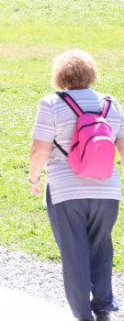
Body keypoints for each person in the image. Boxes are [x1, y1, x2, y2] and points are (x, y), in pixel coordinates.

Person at [28, 50, 123, 321]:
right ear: (91, 73)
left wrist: (34, 179)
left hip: (65, 191)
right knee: (102, 247)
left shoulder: (52, 104)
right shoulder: (111, 104)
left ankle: (83, 316)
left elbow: (39, 151)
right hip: (107, 192)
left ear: (60, 75)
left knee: (74, 255)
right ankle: (103, 308)